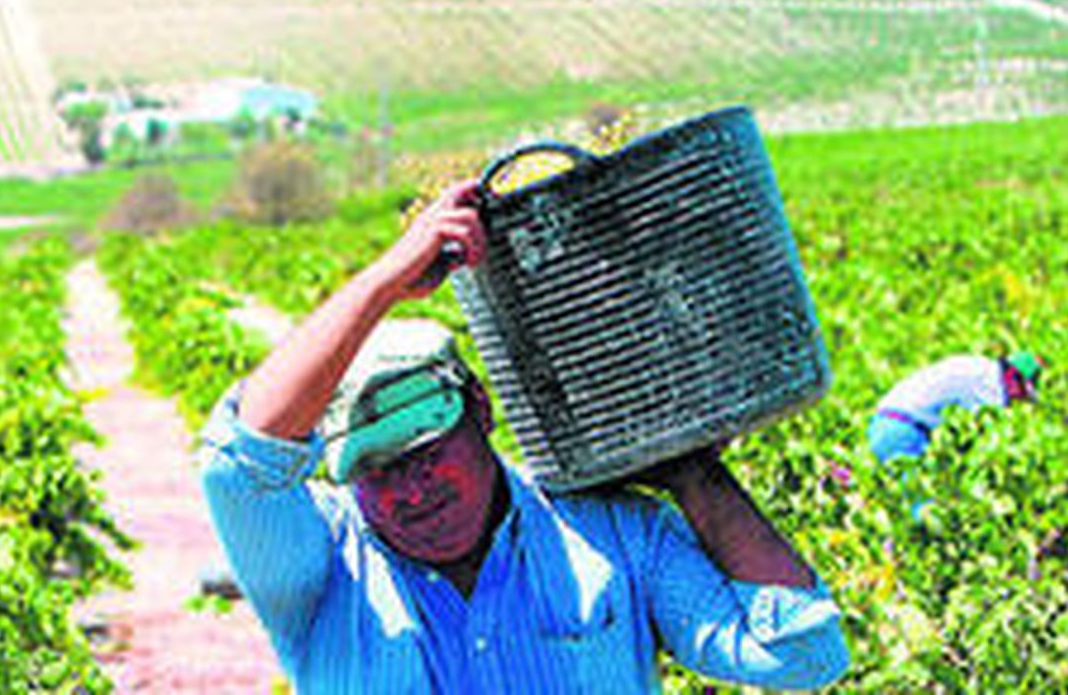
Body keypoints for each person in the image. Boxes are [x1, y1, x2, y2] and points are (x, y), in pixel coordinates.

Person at [199, 181, 849, 692]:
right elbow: (241, 464)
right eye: (375, 466)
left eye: (425, 451)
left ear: (479, 408)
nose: (411, 487)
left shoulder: (613, 533)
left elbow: (801, 651)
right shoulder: (319, 563)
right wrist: (389, 278)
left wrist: (692, 473)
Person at [867, 350, 1044, 464]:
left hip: (884, 423)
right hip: (902, 431)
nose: (1017, 400)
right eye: (1021, 393)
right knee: (923, 512)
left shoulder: (979, 367)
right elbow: (985, 440)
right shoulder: (991, 384)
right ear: (1012, 376)